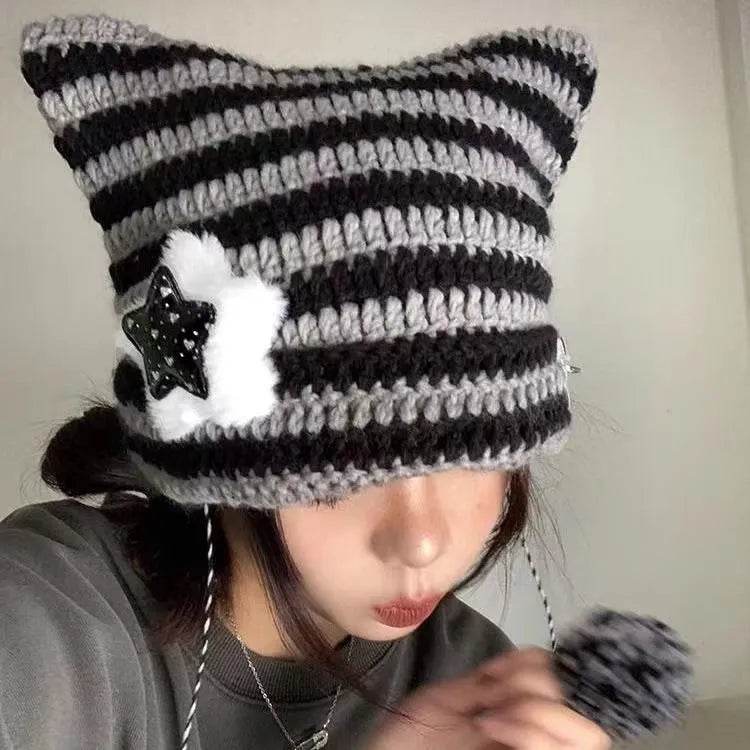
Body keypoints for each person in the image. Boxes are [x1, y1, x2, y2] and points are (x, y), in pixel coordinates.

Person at [3, 12, 609, 750]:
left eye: (472, 453)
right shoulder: (47, 625)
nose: (421, 541)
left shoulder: (476, 684)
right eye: (341, 468)